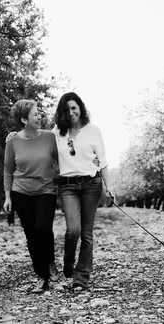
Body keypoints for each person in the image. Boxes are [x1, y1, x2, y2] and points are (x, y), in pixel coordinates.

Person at [52, 92, 114, 292]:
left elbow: (102, 161)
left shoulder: (93, 131)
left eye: (74, 108)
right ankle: (68, 261)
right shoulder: (56, 132)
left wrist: (109, 186)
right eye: (67, 109)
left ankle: (81, 278)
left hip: (91, 185)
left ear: (80, 107)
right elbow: (35, 138)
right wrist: (15, 136)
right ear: (62, 112)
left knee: (86, 234)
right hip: (68, 186)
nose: (71, 113)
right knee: (73, 231)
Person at [3, 99, 60, 293]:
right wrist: (7, 197)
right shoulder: (12, 141)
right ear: (23, 120)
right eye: (35, 114)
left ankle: (50, 261)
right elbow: (8, 170)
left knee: (43, 227)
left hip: (46, 189)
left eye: (39, 112)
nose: (40, 116)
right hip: (21, 192)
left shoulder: (49, 137)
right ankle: (42, 276)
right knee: (31, 234)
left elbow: (63, 159)